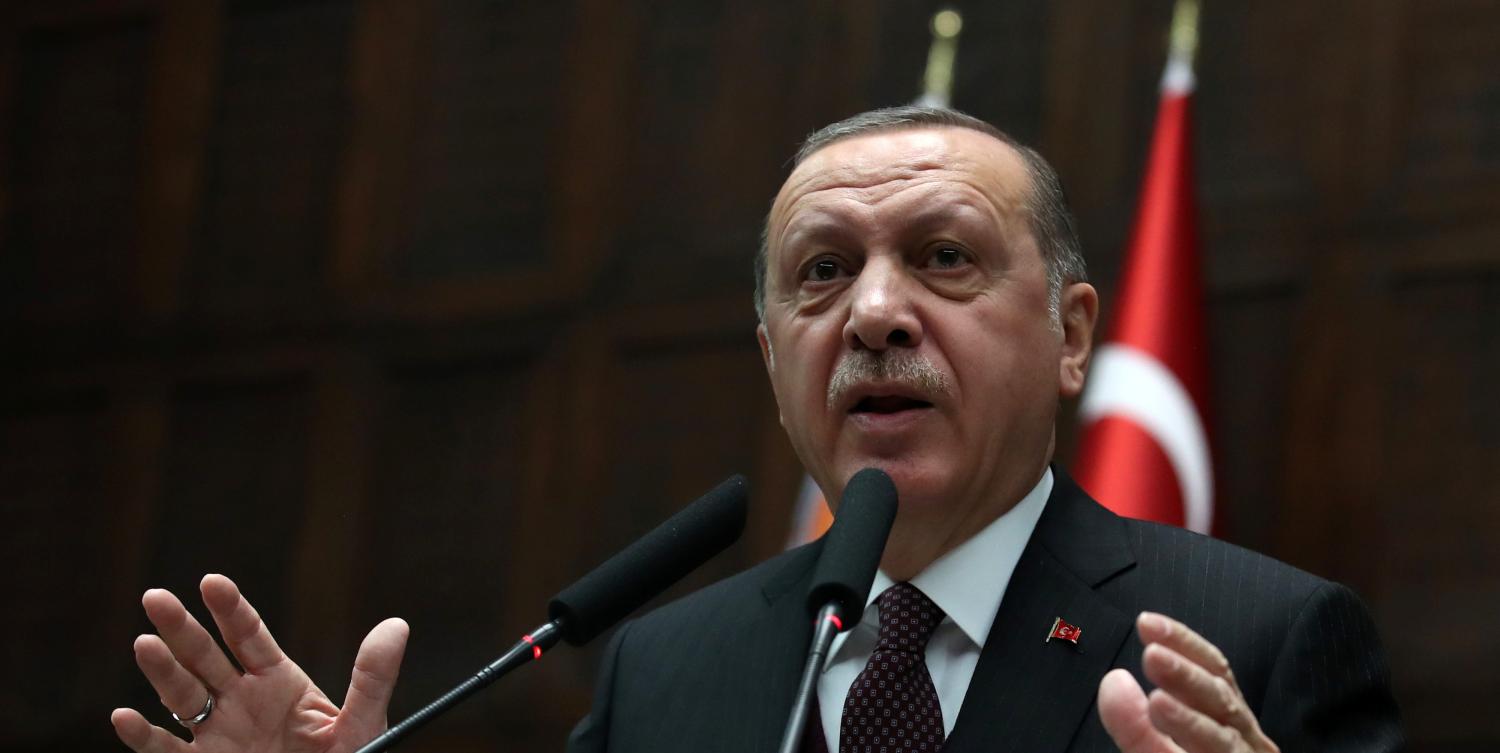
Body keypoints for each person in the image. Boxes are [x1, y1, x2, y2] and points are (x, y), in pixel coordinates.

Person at [110, 107, 1404, 753]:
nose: (877, 313)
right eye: (823, 274)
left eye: (943, 256)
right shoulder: (664, 674)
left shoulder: (1263, 643)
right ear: (775, 353)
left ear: (1073, 334)